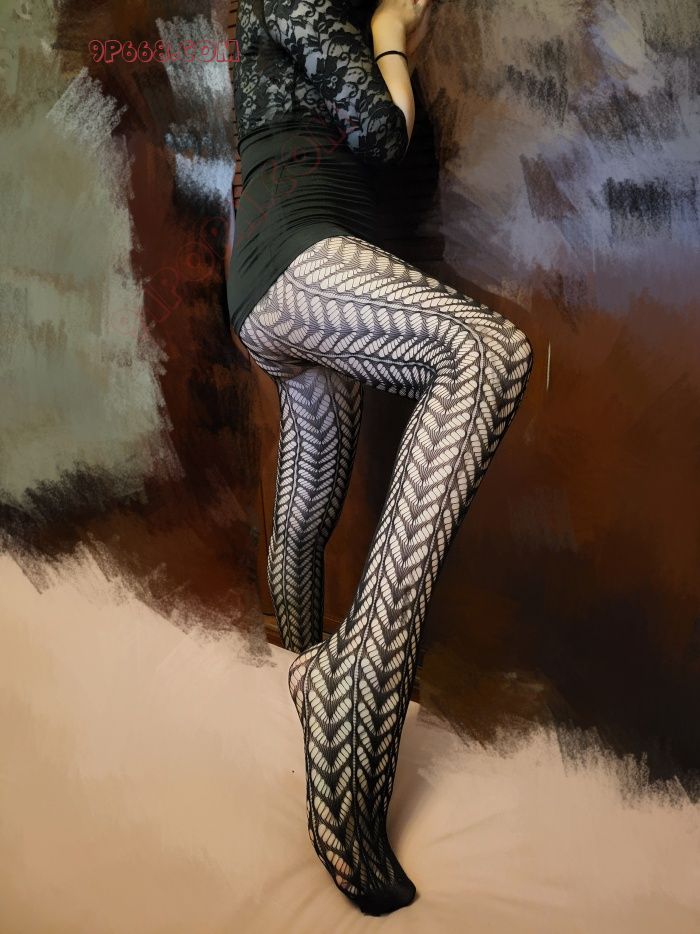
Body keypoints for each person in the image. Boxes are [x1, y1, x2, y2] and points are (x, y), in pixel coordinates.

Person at [227, 0, 534, 915]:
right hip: (299, 257)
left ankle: (289, 683)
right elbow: (380, 132)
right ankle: (354, 680)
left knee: (307, 509)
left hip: (293, 280)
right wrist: (395, 29)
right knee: (486, 353)